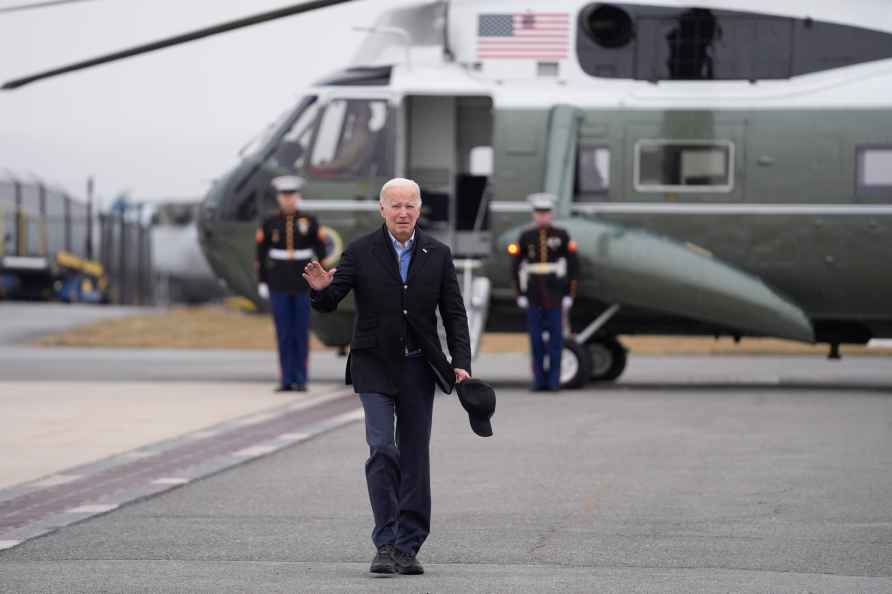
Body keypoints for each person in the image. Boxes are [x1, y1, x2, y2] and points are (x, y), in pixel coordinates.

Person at [302, 177, 471, 576]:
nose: (403, 212)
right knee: (382, 449)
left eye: (410, 205)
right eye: (395, 205)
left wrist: (460, 359)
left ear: (419, 209)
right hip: (373, 365)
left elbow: (454, 312)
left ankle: (408, 546)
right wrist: (320, 290)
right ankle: (386, 540)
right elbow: (330, 301)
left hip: (419, 367)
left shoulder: (438, 253)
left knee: (414, 456)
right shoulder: (360, 252)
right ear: (382, 209)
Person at [255, 175, 327, 393]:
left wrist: (319, 279)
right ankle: (286, 379)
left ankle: (301, 379)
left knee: (300, 332)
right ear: (279, 198)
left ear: (298, 197)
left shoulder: (310, 221)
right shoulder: (269, 223)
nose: (288, 200)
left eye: (292, 195)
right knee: (284, 333)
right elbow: (260, 255)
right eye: (284, 196)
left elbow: (322, 251)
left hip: (302, 281)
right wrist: (263, 282)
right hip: (278, 282)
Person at [511, 192, 579, 392]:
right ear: (534, 215)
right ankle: (539, 380)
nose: (543, 216)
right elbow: (515, 266)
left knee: (556, 340)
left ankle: (554, 381)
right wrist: (520, 294)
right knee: (536, 340)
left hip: (555, 293)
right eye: (539, 213)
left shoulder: (561, 235)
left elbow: (573, 266)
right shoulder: (526, 236)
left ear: (551, 214)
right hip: (534, 294)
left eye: (546, 212)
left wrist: (569, 294)